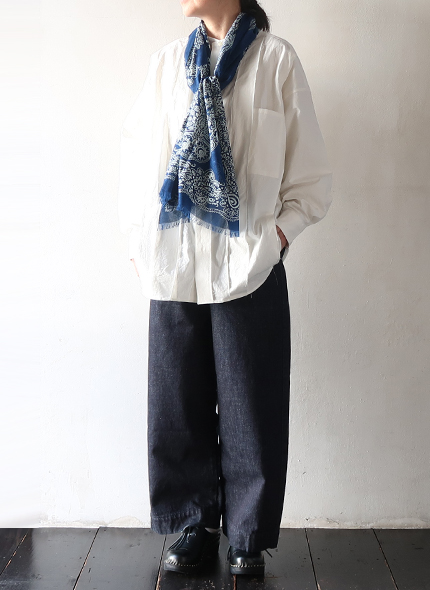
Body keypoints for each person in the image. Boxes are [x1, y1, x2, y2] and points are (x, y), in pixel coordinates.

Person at [118, 0, 332, 577]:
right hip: (175, 263)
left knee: (252, 403)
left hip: (248, 267)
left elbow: (310, 172)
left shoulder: (277, 61)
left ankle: (247, 533)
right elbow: (138, 160)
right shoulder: (168, 64)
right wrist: (139, 245)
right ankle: (194, 522)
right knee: (176, 401)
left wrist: (278, 238)